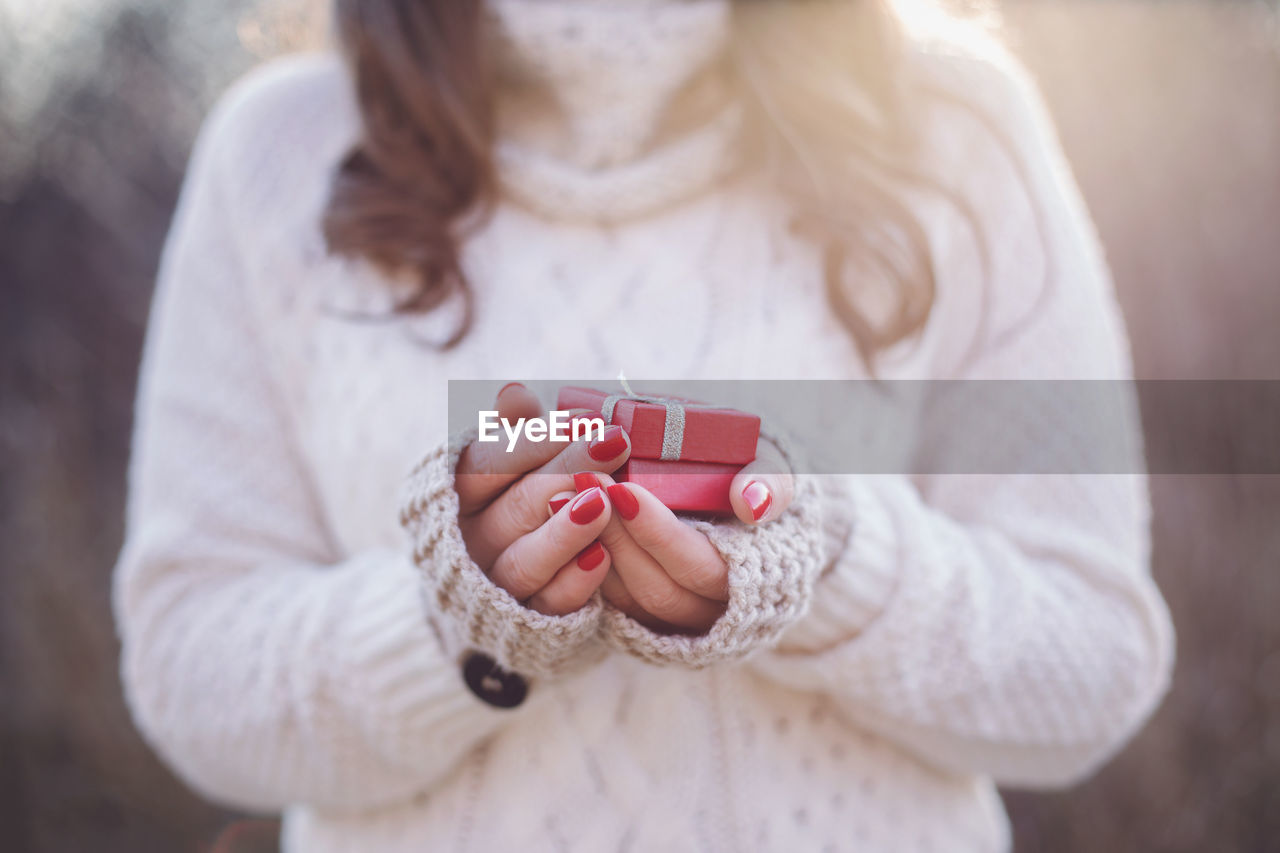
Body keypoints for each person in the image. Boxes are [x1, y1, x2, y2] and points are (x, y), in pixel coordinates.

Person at [113, 1, 1174, 850]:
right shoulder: (279, 149)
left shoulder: (956, 121)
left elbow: (1088, 654)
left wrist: (821, 562)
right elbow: (191, 669)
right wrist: (454, 628)